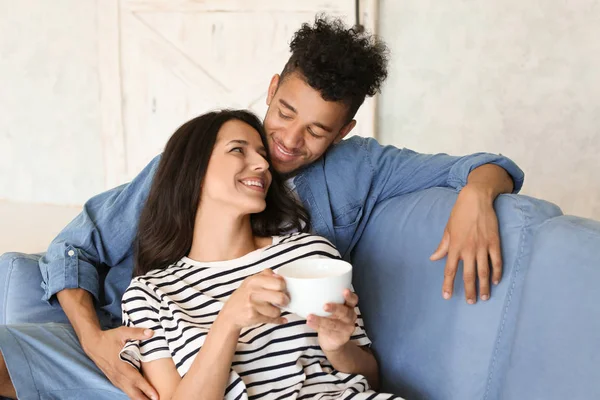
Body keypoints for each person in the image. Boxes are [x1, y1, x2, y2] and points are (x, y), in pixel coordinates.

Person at [0, 16, 523, 400]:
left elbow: (478, 166)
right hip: (135, 338)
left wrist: (478, 195)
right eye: (284, 112)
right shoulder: (195, 160)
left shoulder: (356, 173)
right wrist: (96, 343)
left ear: (343, 132)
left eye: (316, 131)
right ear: (272, 89)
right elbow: (73, 246)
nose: (286, 143)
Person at [119, 109, 399, 399]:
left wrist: (338, 347)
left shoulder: (311, 254)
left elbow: (371, 380)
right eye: (238, 149)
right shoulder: (150, 294)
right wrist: (228, 321)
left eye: (263, 154)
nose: (263, 164)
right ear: (194, 169)